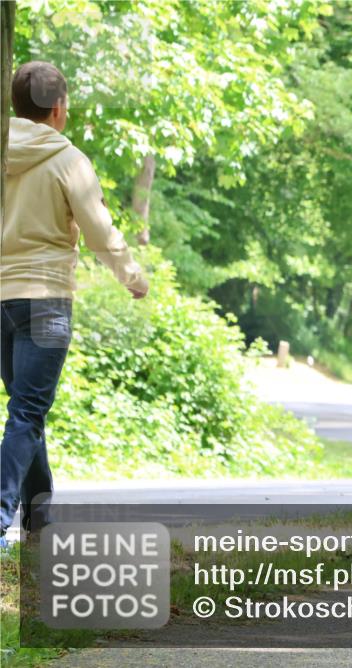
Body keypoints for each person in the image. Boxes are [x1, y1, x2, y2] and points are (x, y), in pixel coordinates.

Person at [1, 62, 149, 547]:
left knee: (26, 412)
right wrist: (132, 276)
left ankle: (38, 522)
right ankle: (2, 518)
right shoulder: (68, 160)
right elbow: (99, 229)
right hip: (44, 300)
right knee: (26, 412)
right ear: (59, 108)